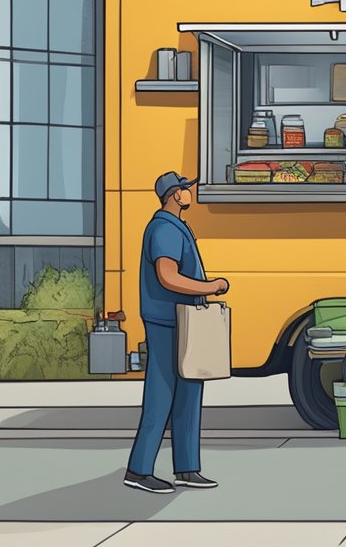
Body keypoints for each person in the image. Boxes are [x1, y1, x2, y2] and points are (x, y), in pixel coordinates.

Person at [124, 172, 231, 494]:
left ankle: (186, 468)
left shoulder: (176, 227)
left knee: (189, 394)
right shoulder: (164, 229)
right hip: (167, 322)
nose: (190, 192)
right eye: (185, 188)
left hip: (184, 320)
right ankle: (139, 470)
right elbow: (168, 277)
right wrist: (211, 287)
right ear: (174, 194)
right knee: (161, 396)